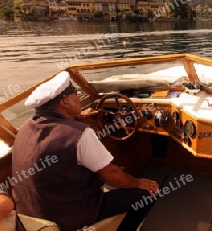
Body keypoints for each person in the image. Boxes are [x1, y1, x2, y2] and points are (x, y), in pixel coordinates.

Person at [12, 71, 159, 231]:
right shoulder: (80, 134)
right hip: (70, 217)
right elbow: (111, 175)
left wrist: (74, 118)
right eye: (76, 94)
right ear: (64, 102)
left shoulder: (25, 128)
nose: (79, 98)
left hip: (30, 213)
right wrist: (137, 182)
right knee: (148, 193)